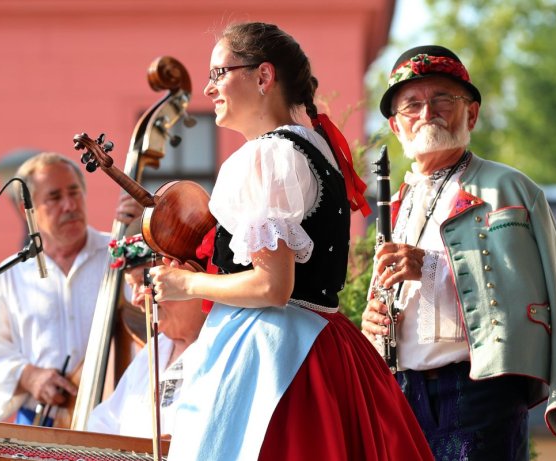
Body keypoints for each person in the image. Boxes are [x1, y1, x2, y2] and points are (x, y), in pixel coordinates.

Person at [147, 22, 434, 461]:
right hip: (325, 344)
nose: (208, 88)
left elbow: (270, 286)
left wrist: (185, 285)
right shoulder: (316, 150)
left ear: (263, 76)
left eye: (219, 72)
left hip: (274, 356)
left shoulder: (266, 155)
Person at [361, 45, 556, 460]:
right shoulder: (399, 201)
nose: (427, 113)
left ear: (471, 114)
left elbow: (553, 292)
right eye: (412, 105)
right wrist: (372, 323)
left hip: (479, 390)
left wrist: (429, 267)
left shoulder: (511, 188)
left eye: (442, 99)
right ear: (395, 125)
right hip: (403, 390)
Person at [0, 152, 142, 425]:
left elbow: (156, 320)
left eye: (74, 193)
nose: (69, 205)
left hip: (118, 419)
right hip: (42, 422)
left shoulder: (120, 254)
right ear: (29, 211)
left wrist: (138, 244)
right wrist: (29, 376)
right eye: (54, 197)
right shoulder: (11, 275)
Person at [86, 235, 207, 438]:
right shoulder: (155, 348)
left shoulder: (221, 343)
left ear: (182, 272)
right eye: (131, 287)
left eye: (145, 281)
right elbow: (103, 423)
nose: (135, 300)